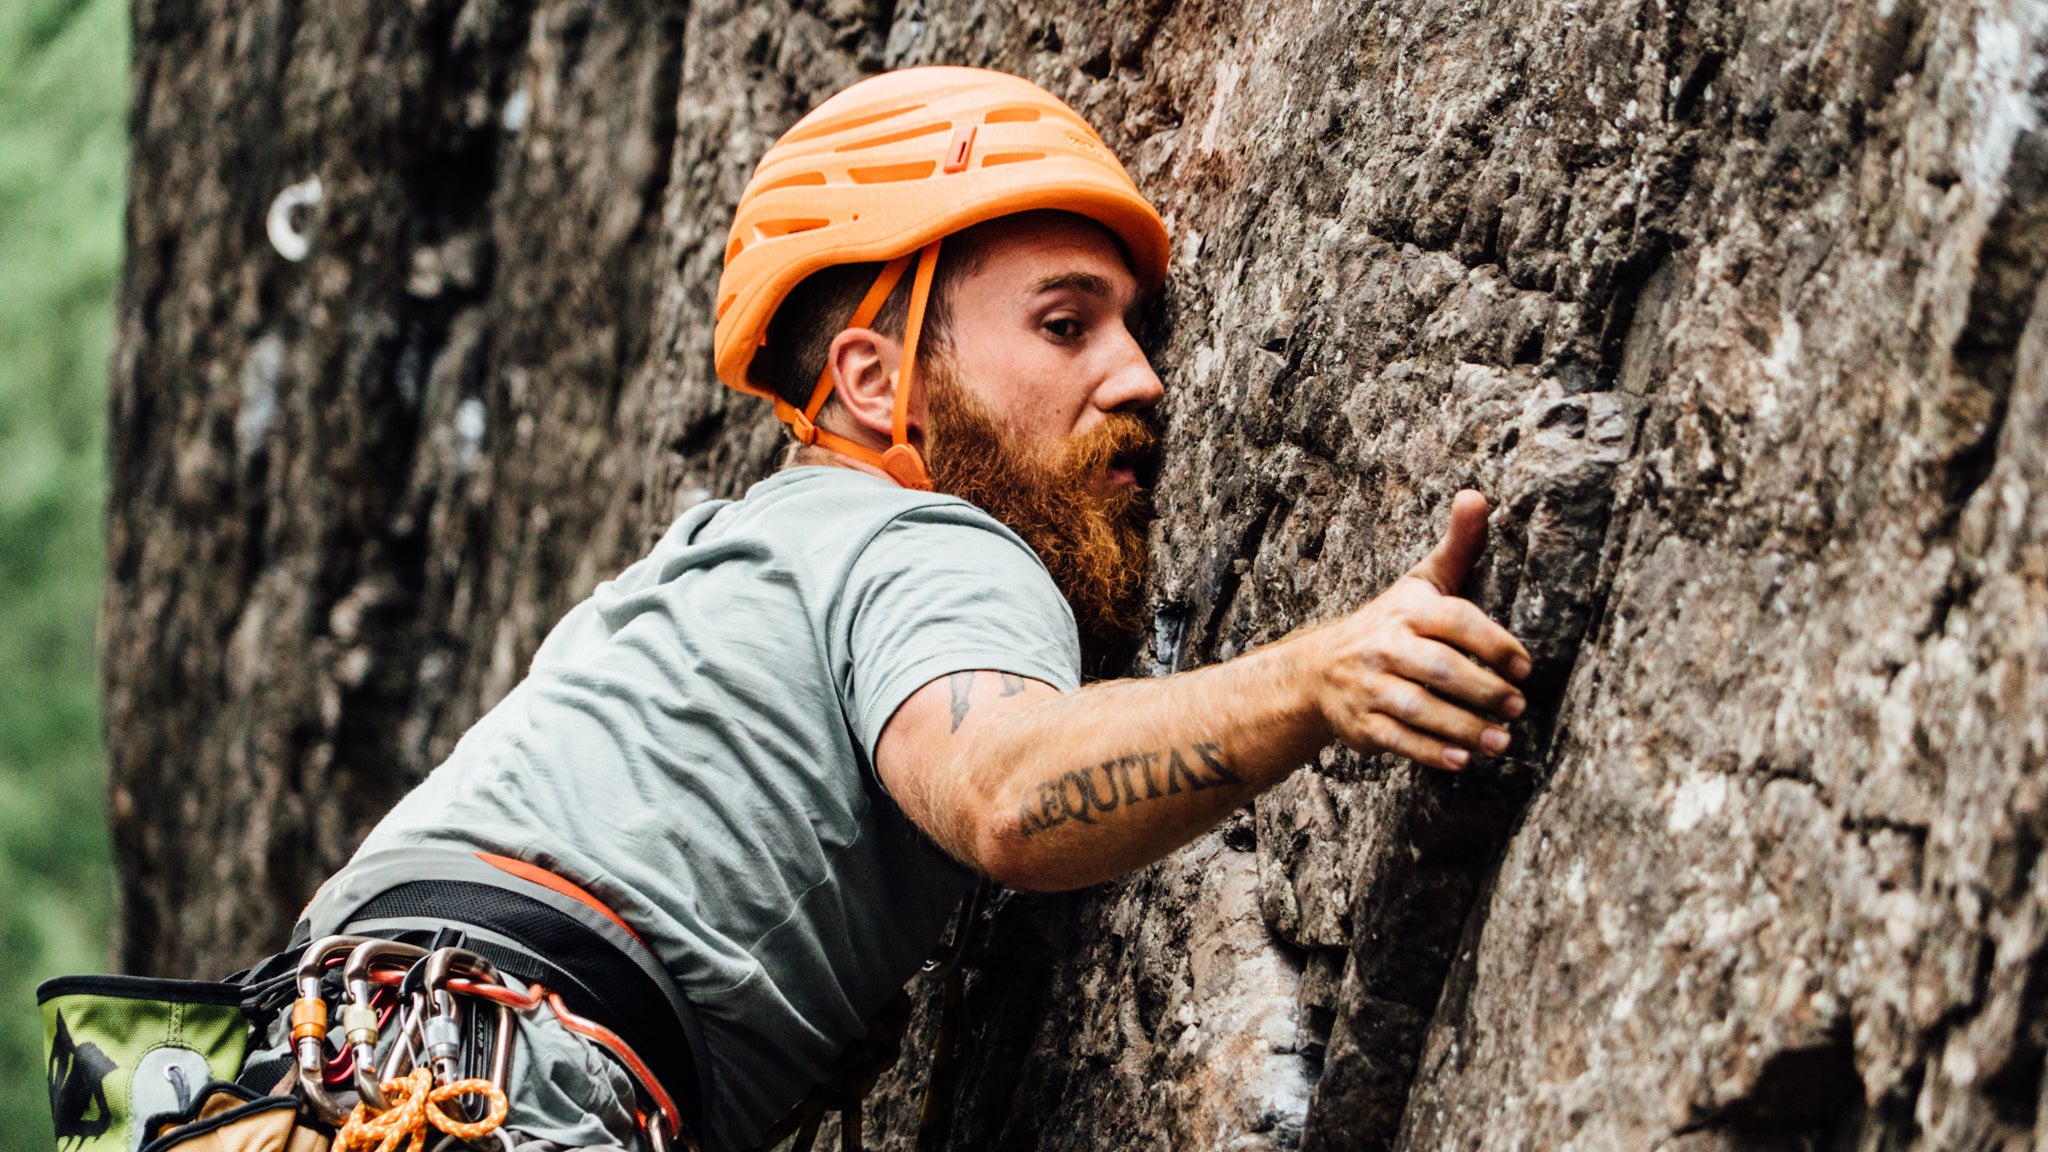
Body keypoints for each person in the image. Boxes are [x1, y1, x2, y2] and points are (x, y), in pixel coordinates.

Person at [274, 65, 1531, 1152]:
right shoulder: (925, 538)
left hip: (307, 1062)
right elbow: (1002, 790)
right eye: (1063, 324)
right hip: (500, 1074)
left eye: (1134, 329)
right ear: (876, 384)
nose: (1140, 376)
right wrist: (1314, 681)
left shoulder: (706, 573)